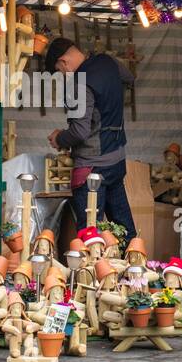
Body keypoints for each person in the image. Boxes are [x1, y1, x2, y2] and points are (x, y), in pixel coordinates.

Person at [44, 37, 137, 240]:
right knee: (124, 231)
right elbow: (129, 77)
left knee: (90, 236)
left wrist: (59, 138)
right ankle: (134, 264)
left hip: (92, 168)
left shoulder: (79, 83)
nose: (63, 75)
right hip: (117, 160)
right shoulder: (107, 61)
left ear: (63, 61)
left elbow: (79, 131)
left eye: (60, 71)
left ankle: (95, 271)